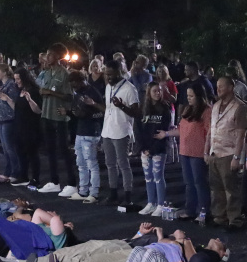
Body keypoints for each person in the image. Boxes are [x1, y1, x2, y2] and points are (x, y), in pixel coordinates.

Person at [205, 75, 247, 230]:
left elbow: (241, 134)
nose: (218, 89)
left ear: (231, 88)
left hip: (229, 153)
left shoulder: (240, 107)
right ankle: (219, 216)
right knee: (216, 188)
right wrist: (206, 151)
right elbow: (211, 130)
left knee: (232, 189)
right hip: (215, 152)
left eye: (221, 86)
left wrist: (237, 157)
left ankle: (235, 219)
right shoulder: (216, 105)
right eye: (217, 86)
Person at [163, 86, 209, 221]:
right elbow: (181, 130)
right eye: (188, 96)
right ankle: (190, 210)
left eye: (191, 96)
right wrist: (166, 134)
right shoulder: (188, 109)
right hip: (185, 151)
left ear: (199, 96)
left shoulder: (207, 111)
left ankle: (203, 211)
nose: (188, 98)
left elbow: (209, 133)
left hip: (198, 152)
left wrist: (207, 151)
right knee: (189, 183)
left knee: (199, 182)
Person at [36, 43, 74, 196]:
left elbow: (69, 96)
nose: (47, 57)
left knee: (64, 150)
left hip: (59, 116)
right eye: (47, 54)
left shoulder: (64, 74)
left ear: (58, 56)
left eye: (50, 54)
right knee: (49, 149)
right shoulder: (46, 72)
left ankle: (72, 182)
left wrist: (51, 93)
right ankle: (54, 181)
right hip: (46, 114)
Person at [101, 61, 139, 206]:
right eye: (106, 74)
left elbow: (136, 112)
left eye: (111, 74)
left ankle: (128, 195)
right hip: (107, 130)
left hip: (122, 131)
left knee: (123, 164)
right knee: (110, 164)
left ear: (119, 72)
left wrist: (121, 106)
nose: (108, 77)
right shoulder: (108, 87)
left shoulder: (130, 88)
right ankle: (113, 194)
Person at [138, 83, 175, 216]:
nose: (158, 93)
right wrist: (143, 148)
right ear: (149, 92)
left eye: (159, 91)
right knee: (148, 176)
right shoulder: (143, 108)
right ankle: (151, 203)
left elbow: (164, 131)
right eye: (154, 91)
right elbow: (138, 129)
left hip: (158, 148)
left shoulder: (165, 108)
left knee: (158, 176)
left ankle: (161, 204)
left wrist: (153, 149)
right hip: (145, 148)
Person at [68, 69, 104, 202]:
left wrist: (90, 108)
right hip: (80, 131)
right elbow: (76, 109)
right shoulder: (78, 92)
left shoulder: (93, 92)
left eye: (75, 84)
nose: (74, 87)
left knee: (91, 163)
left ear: (82, 80)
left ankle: (94, 193)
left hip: (91, 132)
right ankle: (83, 191)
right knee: (81, 163)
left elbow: (102, 112)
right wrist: (73, 112)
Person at [11, 68, 43, 188]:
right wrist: (7, 99)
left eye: (18, 79)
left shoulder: (33, 91)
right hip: (19, 126)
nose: (16, 81)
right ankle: (23, 176)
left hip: (30, 127)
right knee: (20, 152)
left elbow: (38, 110)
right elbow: (17, 108)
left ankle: (35, 178)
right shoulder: (20, 90)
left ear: (24, 78)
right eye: (15, 79)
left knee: (32, 153)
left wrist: (29, 100)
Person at [0, 63, 20, 180]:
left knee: (10, 148)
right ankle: (8, 170)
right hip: (1, 119)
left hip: (9, 119)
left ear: (4, 73)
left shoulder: (11, 85)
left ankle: (15, 171)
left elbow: (13, 103)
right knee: (5, 148)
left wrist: (1, 95)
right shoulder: (3, 86)